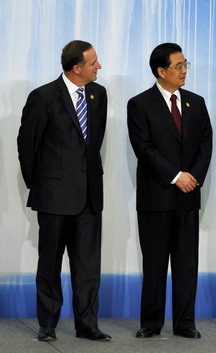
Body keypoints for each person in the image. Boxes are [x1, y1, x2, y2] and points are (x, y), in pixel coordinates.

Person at [17, 40, 110, 342]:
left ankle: (87, 325)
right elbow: (27, 147)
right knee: (50, 264)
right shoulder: (43, 97)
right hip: (54, 197)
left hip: (89, 197)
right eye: (94, 62)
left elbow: (93, 146)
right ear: (77, 68)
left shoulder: (99, 94)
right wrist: (43, 185)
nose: (99, 66)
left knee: (88, 267)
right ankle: (48, 325)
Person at [127, 43, 212, 339]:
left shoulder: (196, 102)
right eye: (178, 66)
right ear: (161, 71)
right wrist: (176, 176)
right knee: (154, 264)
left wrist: (192, 178)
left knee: (187, 264)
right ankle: (151, 323)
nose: (184, 70)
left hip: (188, 196)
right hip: (156, 197)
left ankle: (185, 323)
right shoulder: (139, 104)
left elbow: (205, 145)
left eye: (185, 64)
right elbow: (144, 149)